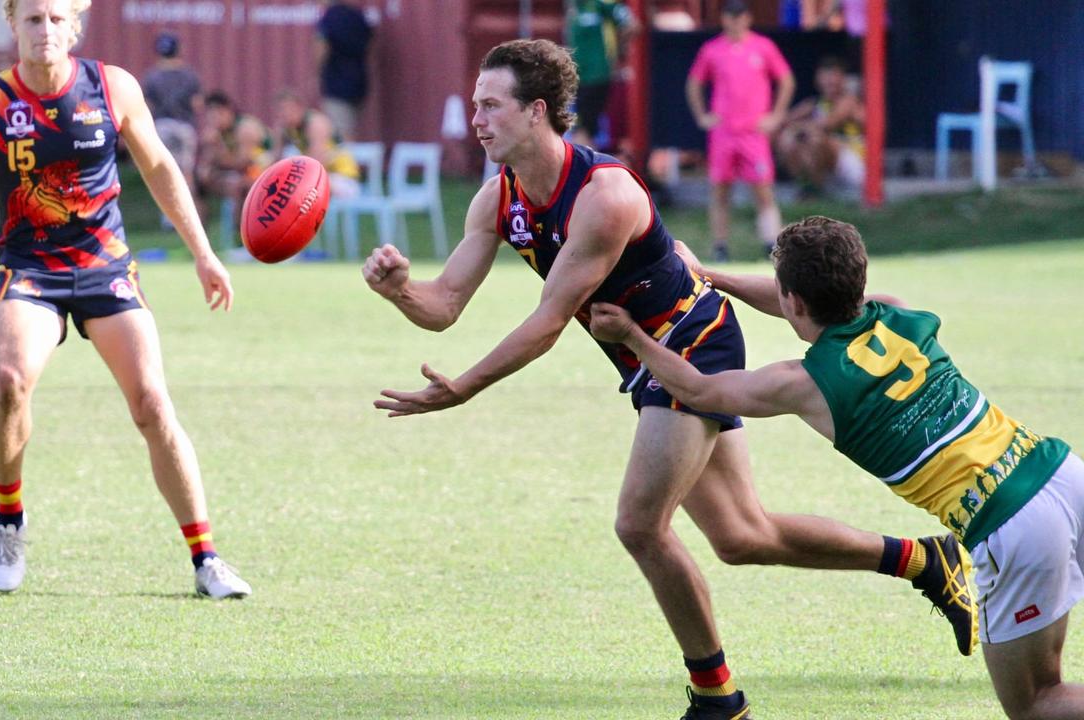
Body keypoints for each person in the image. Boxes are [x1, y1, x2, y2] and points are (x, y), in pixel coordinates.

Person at [363, 39, 974, 719]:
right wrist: (398, 291)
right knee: (743, 537)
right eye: (476, 105)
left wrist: (465, 388)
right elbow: (442, 305)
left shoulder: (604, 194)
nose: (476, 118)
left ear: (537, 112)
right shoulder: (497, 199)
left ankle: (719, 700)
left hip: (695, 341)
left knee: (639, 525)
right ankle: (925, 561)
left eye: (489, 105)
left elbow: (549, 322)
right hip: (644, 357)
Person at [589, 215, 1084, 720]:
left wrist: (631, 334)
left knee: (1038, 703)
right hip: (1063, 472)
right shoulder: (896, 313)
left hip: (1012, 522)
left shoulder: (805, 383)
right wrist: (711, 278)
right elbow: (805, 305)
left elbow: (696, 390)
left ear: (794, 301)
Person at [0, 0, 251, 600]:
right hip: (31, 268)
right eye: (32, 19)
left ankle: (207, 559)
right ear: (12, 25)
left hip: (103, 267)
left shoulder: (110, 87)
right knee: (10, 380)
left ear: (75, 25)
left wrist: (203, 252)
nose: (45, 30)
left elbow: (161, 168)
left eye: (56, 19)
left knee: (150, 402)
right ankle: (9, 522)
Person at [685, 0, 794, 262]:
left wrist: (776, 116)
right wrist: (702, 116)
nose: (735, 22)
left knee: (763, 189)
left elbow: (786, 79)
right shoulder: (712, 50)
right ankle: (720, 246)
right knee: (721, 190)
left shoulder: (763, 46)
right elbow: (694, 83)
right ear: (724, 19)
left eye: (739, 16)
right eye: (730, 17)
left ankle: (771, 243)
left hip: (753, 132)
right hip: (724, 133)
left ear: (747, 18)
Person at [775, 55, 864, 195]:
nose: (829, 82)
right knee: (789, 138)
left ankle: (814, 188)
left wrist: (799, 128)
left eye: (833, 79)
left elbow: (826, 125)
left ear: (843, 79)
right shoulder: (814, 103)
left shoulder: (848, 101)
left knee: (817, 137)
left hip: (855, 164)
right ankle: (807, 186)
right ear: (818, 79)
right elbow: (782, 121)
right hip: (829, 167)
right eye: (825, 78)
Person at [566, 0, 636, 148]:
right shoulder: (576, 7)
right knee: (582, 128)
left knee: (582, 129)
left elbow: (632, 25)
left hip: (597, 76)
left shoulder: (601, 5)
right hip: (579, 77)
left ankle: (585, 167)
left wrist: (619, 51)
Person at [142, 32, 203, 204]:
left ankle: (168, 217)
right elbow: (196, 104)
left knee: (164, 172)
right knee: (186, 173)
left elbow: (147, 105)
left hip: (161, 127)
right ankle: (189, 210)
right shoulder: (189, 75)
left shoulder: (152, 76)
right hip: (184, 126)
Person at [195, 91, 273, 217]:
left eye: (218, 113)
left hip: (265, 171)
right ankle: (198, 232)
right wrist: (206, 168)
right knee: (198, 184)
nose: (214, 118)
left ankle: (241, 231)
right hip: (240, 173)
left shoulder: (246, 127)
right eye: (211, 114)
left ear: (228, 111)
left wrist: (217, 153)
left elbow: (242, 162)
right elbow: (207, 164)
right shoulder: (215, 133)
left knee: (240, 187)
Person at [273, 89, 360, 198]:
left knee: (300, 189)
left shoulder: (316, 124)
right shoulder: (287, 128)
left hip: (344, 178)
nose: (284, 114)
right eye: (280, 110)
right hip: (324, 177)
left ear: (299, 108)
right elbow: (275, 160)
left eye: (288, 109)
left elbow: (317, 164)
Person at [315, 0, 372, 142]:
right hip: (359, 81)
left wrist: (317, 74)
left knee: (341, 132)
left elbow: (322, 47)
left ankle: (347, 164)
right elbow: (370, 43)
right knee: (349, 127)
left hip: (336, 82)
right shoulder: (357, 16)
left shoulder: (328, 18)